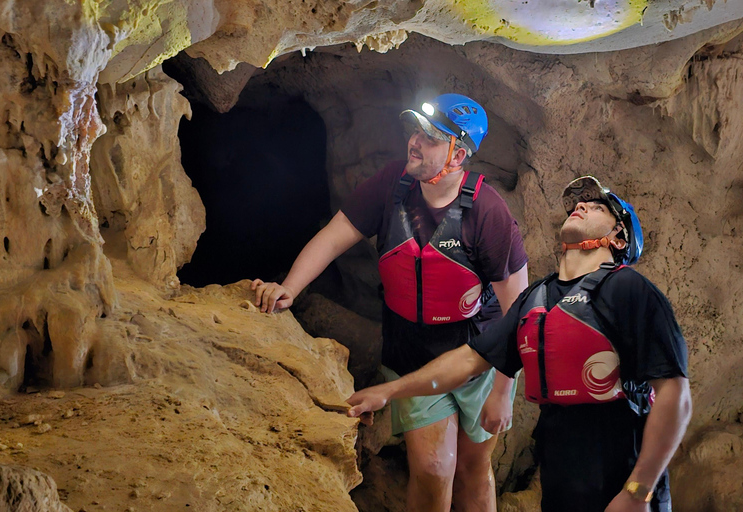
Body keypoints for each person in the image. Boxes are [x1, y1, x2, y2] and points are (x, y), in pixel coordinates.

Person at [251, 93, 529, 512]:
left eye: (432, 137)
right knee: (435, 468)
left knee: (474, 467)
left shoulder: (487, 212)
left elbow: (518, 311)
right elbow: (334, 234)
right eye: (416, 130)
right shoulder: (391, 186)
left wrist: (504, 392)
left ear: (458, 155)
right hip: (412, 349)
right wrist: (290, 286)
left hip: (478, 355)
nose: (415, 141)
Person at [346, 176, 692, 512]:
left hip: (623, 485)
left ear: (618, 238)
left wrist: (638, 491)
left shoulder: (629, 289)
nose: (583, 205)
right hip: (562, 486)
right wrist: (389, 391)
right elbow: (467, 361)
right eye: (581, 203)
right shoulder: (536, 299)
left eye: (600, 207)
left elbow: (675, 395)